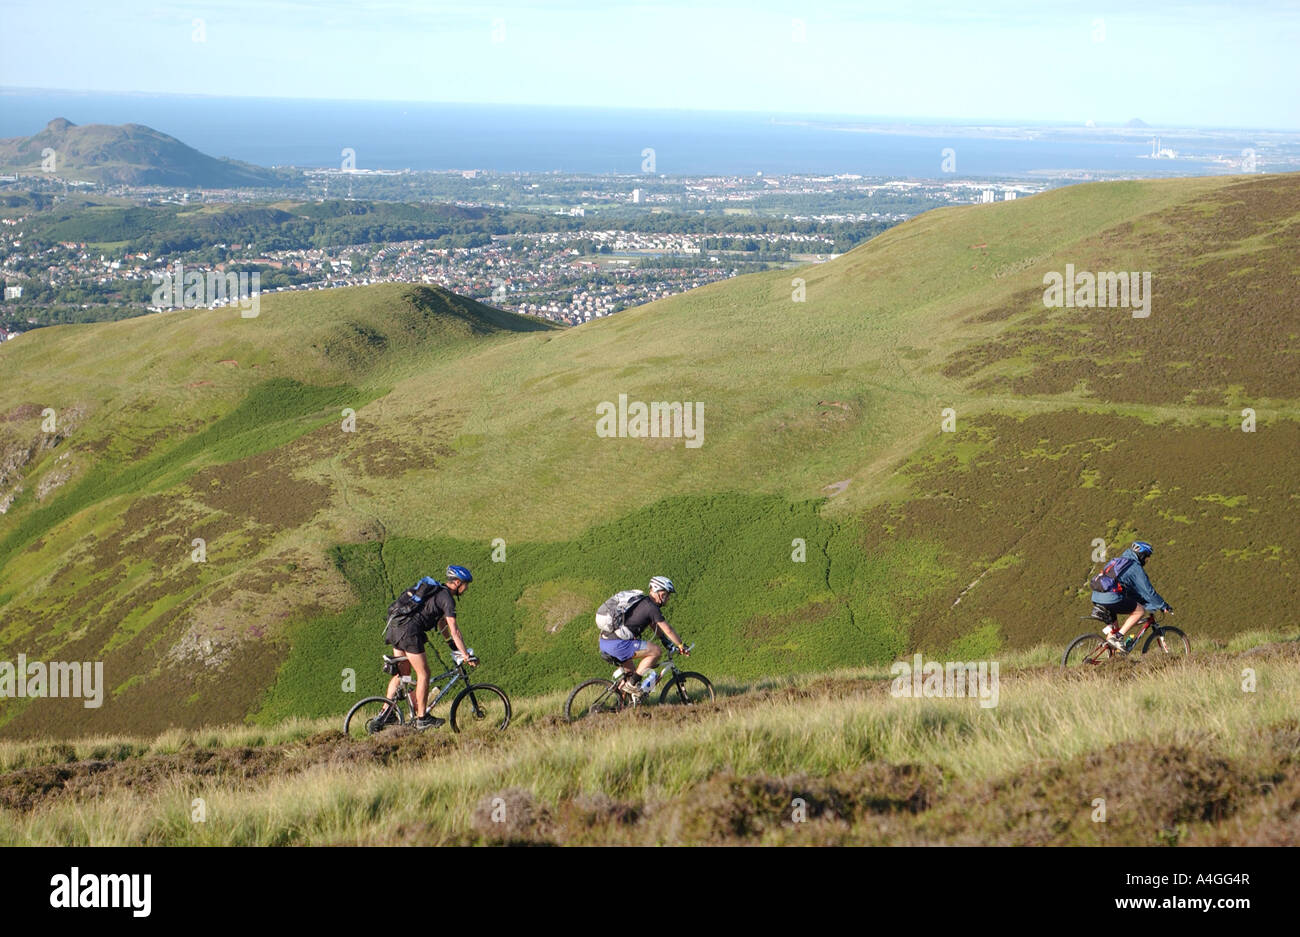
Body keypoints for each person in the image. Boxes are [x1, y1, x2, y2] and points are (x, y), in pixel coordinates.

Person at [383, 565, 478, 729]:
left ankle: (385, 714)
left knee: (403, 675)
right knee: (424, 673)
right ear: (457, 582)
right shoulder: (447, 599)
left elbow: (442, 624)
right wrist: (466, 655)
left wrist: (452, 646)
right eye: (465, 584)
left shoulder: (436, 591)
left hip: (395, 628)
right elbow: (454, 629)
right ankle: (422, 718)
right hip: (410, 632)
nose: (467, 588)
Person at [598, 576, 687, 699]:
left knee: (632, 676)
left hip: (606, 641)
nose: (668, 598)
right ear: (659, 592)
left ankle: (621, 708)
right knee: (656, 651)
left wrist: (665, 640)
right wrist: (681, 645)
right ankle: (631, 685)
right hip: (617, 644)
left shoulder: (643, 602)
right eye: (667, 594)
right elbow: (668, 629)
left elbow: (653, 624)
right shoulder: (652, 608)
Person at [1090, 541, 1173, 650]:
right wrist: (1163, 606)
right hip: (1110, 598)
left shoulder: (1117, 561)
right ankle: (1118, 637)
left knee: (1113, 631)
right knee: (1140, 611)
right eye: (1147, 557)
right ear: (1141, 555)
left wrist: (1145, 602)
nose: (1147, 560)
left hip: (1097, 597)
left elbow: (1129, 591)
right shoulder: (1135, 567)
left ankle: (1110, 658)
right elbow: (1149, 591)